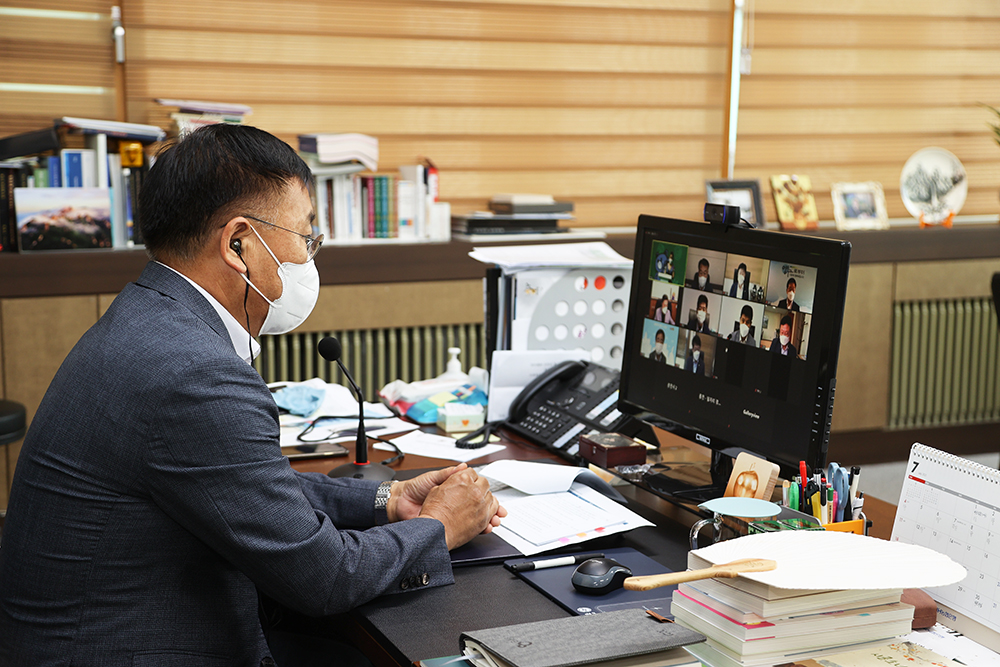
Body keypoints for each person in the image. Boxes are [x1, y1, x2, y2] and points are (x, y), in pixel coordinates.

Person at [0, 125, 505, 667]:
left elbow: (244, 489)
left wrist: (387, 499)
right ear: (239, 243)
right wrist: (441, 527)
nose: (311, 258)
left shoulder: (150, 317)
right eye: (306, 237)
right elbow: (325, 578)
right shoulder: (194, 373)